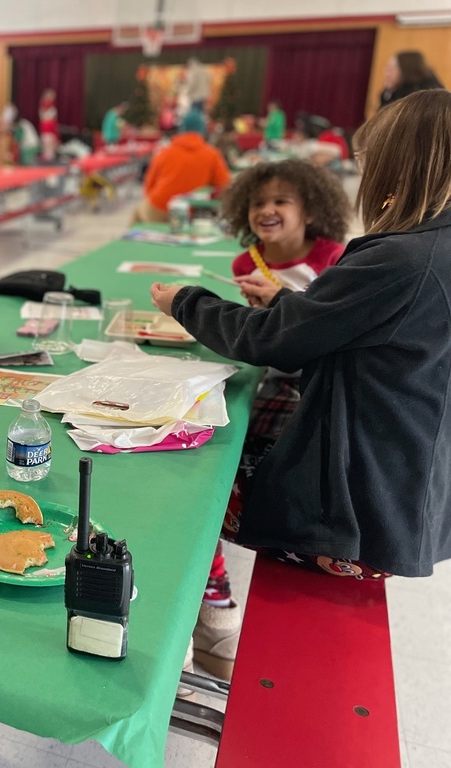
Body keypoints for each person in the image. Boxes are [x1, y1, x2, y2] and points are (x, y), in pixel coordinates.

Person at [150, 89, 451, 588]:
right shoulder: (433, 249)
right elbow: (348, 327)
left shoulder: (401, 260)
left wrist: (185, 301)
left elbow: (271, 341)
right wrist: (284, 302)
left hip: (356, 521)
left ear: (399, 163)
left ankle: (209, 602)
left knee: (187, 475)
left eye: (369, 159)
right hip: (408, 499)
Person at [189, 159, 351, 680]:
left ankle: (212, 606)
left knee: (217, 475)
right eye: (259, 202)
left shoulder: (334, 260)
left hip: (311, 384)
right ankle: (210, 597)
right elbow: (257, 339)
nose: (268, 210)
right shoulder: (246, 261)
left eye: (282, 200)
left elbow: (318, 337)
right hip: (271, 376)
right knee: (211, 442)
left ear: (311, 210)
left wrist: (285, 309)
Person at [134, 109, 230, 224]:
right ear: (202, 129)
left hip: (158, 208)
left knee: (137, 215)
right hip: (188, 212)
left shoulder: (164, 152)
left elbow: (149, 185)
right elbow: (224, 186)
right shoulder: (212, 154)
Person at [379, 50, 444, 109]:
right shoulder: (394, 91)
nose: (386, 72)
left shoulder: (425, 98)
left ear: (405, 70)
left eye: (391, 68)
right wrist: (388, 94)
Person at [38, 87, 59, 161]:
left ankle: (49, 160)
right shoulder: (43, 108)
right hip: (45, 131)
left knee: (50, 150)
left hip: (50, 131)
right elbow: (43, 118)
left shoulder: (53, 109)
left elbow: (53, 121)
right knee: (46, 147)